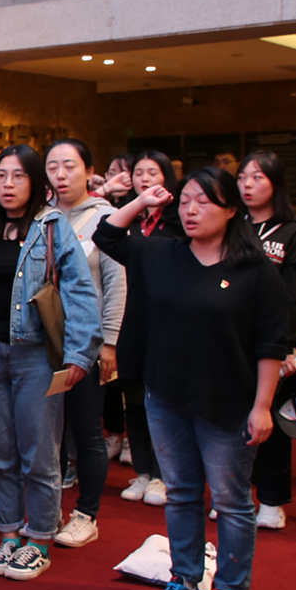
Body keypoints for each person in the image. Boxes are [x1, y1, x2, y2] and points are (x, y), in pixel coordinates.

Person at [95, 167, 288, 590]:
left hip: (228, 401)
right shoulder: (163, 252)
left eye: (203, 201)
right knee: (181, 492)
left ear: (231, 210)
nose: (191, 210)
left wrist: (262, 406)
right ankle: (184, 579)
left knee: (231, 500)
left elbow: (270, 344)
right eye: (184, 201)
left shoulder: (255, 269)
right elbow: (107, 235)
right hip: (166, 394)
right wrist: (143, 201)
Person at [0, 146, 101, 582]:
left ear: (35, 183)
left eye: (19, 176)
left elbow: (81, 291)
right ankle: (9, 533)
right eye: (2, 176)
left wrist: (80, 352)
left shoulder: (52, 226)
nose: (8, 184)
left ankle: (40, 537)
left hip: (35, 353)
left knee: (38, 452)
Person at [42, 139, 126, 547]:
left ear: (89, 171)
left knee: (87, 430)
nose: (60, 175)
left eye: (70, 166)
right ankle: (49, 509)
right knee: (48, 432)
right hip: (43, 342)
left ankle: (86, 514)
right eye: (52, 167)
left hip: (86, 342)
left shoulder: (106, 218)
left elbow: (116, 284)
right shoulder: (41, 216)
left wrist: (109, 343)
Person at [235, 153, 296, 531]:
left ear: (275, 182)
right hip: (231, 339)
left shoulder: (294, 231)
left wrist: (285, 344)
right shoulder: (232, 225)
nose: (248, 185)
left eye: (258, 177)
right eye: (242, 177)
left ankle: (271, 499)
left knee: (270, 422)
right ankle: (234, 494)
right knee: (230, 422)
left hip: (273, 342)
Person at [110, 149, 184, 508]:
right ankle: (142, 471)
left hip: (170, 323)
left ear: (167, 177)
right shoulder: (126, 218)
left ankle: (163, 474)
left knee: (166, 402)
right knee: (135, 402)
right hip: (131, 319)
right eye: (138, 173)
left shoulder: (179, 220)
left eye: (152, 172)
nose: (144, 179)